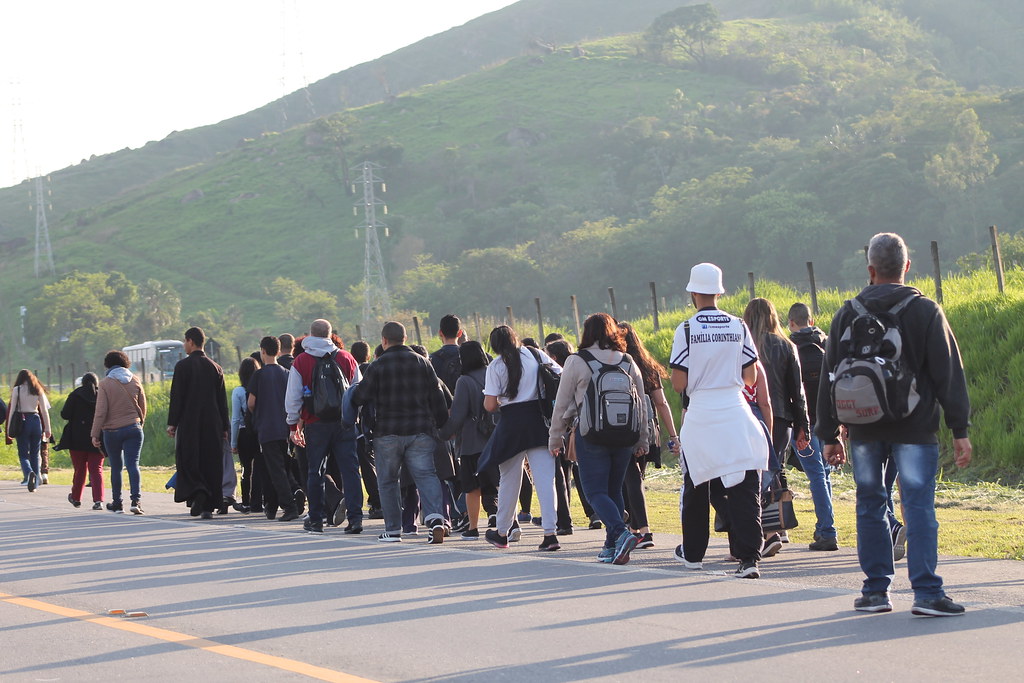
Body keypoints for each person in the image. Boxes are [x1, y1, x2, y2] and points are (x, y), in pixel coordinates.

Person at [817, 232, 972, 616]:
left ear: (870, 269)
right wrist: (960, 429)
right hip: (915, 429)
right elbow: (948, 374)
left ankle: (875, 592)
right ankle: (927, 594)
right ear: (907, 266)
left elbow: (829, 375)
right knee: (917, 506)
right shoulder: (926, 311)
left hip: (864, 429)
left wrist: (829, 433)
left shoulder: (847, 313)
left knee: (870, 504)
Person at [670, 263, 769, 579]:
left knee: (697, 486)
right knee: (744, 487)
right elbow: (750, 376)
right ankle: (749, 558)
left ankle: (693, 555)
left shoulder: (686, 329)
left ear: (693, 293)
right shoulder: (739, 325)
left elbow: (678, 383)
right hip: (735, 411)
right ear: (719, 292)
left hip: (701, 414)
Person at [549, 314, 648, 563]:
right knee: (613, 490)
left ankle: (620, 532)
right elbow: (641, 403)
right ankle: (611, 546)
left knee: (594, 492)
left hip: (591, 434)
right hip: (625, 435)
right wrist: (642, 438)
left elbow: (562, 403)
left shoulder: (577, 361)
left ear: (587, 332)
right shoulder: (627, 361)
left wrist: (555, 437)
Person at [352, 321, 450, 544]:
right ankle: (436, 518)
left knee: (388, 481)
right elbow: (437, 397)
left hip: (386, 432)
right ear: (405, 338)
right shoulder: (423, 363)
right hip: (420, 431)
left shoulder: (377, 365)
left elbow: (360, 396)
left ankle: (393, 530)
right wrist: (441, 425)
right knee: (426, 475)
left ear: (384, 340)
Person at [480, 325, 561, 551]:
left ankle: (502, 532)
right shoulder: (534, 354)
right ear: (515, 338)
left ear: (494, 346)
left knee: (509, 480)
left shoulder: (496, 366)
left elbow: (490, 405)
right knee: (545, 480)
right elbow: (560, 374)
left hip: (511, 424)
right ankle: (550, 534)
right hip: (539, 421)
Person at [743, 298, 810, 552]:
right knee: (773, 469)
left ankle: (766, 529)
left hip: (748, 414)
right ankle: (777, 526)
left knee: (751, 474)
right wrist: (803, 426)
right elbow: (798, 392)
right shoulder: (786, 345)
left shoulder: (744, 346)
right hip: (781, 418)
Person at [285, 319, 363, 534]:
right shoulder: (346, 358)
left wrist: (293, 425)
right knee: (350, 470)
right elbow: (359, 390)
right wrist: (354, 417)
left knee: (315, 471)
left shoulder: (301, 361)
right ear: (330, 335)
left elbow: (293, 397)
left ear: (310, 335)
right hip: (344, 423)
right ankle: (355, 519)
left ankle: (317, 519)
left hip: (315, 423)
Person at [620, 321, 677, 549]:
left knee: (631, 478)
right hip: (649, 427)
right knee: (636, 477)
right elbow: (661, 402)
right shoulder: (647, 366)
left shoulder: (619, 365)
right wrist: (673, 435)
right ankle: (635, 529)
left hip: (625, 427)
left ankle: (643, 530)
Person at [787, 302, 837, 551]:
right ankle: (823, 527)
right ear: (812, 320)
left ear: (791, 323)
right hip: (828, 420)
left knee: (816, 475)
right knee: (824, 475)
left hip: (803, 423)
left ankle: (827, 531)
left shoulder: (789, 347)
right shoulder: (826, 344)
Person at [167, 327, 230, 519]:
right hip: (213, 422)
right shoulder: (215, 367)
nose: (184, 345)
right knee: (210, 461)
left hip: (189, 422)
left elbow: (177, 397)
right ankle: (208, 507)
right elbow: (222, 401)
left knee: (188, 459)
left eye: (185, 342)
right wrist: (225, 426)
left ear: (191, 341)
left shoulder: (182, 366)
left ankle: (198, 491)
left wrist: (172, 422)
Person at [439, 341, 499, 540]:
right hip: (496, 439)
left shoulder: (464, 381)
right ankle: (506, 522)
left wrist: (443, 433)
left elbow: (457, 416)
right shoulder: (493, 374)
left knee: (472, 487)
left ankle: (473, 528)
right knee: (499, 484)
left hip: (472, 442)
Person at [249, 335, 305, 523]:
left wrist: (257, 413)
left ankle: (289, 506)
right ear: (279, 351)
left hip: (267, 428)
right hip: (285, 427)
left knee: (275, 470)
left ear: (262, 351)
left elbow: (251, 403)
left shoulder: (258, 375)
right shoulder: (287, 373)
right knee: (284, 466)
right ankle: (275, 504)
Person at [92, 351, 147, 514]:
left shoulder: (105, 384)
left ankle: (117, 502)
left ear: (107, 365)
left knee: (116, 467)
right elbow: (143, 405)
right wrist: (140, 423)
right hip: (133, 428)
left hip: (112, 431)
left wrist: (95, 433)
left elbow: (101, 411)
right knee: (133, 464)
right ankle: (136, 501)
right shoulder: (135, 380)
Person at [58, 373, 104, 508]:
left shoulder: (75, 395)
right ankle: (98, 500)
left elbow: (65, 414)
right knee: (96, 469)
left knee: (80, 469)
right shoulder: (102, 395)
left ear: (82, 382)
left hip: (76, 437)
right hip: (97, 436)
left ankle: (76, 497)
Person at [7, 369, 51, 491]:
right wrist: (48, 428)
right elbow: (44, 410)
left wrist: (9, 428)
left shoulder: (17, 389)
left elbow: (12, 410)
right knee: (35, 454)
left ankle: (28, 472)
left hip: (22, 420)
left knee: (23, 454)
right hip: (36, 420)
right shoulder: (38, 389)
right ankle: (35, 484)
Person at [231, 357, 262, 514]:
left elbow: (236, 419)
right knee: (259, 468)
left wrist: (233, 442)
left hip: (244, 432)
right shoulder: (261, 389)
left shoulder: (238, 392)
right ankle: (258, 501)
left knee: (246, 469)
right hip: (259, 431)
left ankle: (246, 501)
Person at [430, 314, 464, 394]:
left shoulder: (432, 359)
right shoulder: (468, 356)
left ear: (440, 333)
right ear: (460, 333)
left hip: (442, 400)